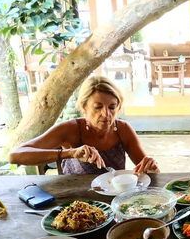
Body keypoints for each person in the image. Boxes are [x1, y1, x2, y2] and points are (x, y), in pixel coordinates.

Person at [9, 75, 159, 175]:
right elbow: (15, 156)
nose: (106, 114)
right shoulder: (71, 129)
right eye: (98, 107)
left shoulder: (123, 130)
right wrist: (70, 153)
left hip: (115, 203)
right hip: (77, 205)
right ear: (84, 107)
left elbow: (147, 173)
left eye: (112, 107)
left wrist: (151, 167)